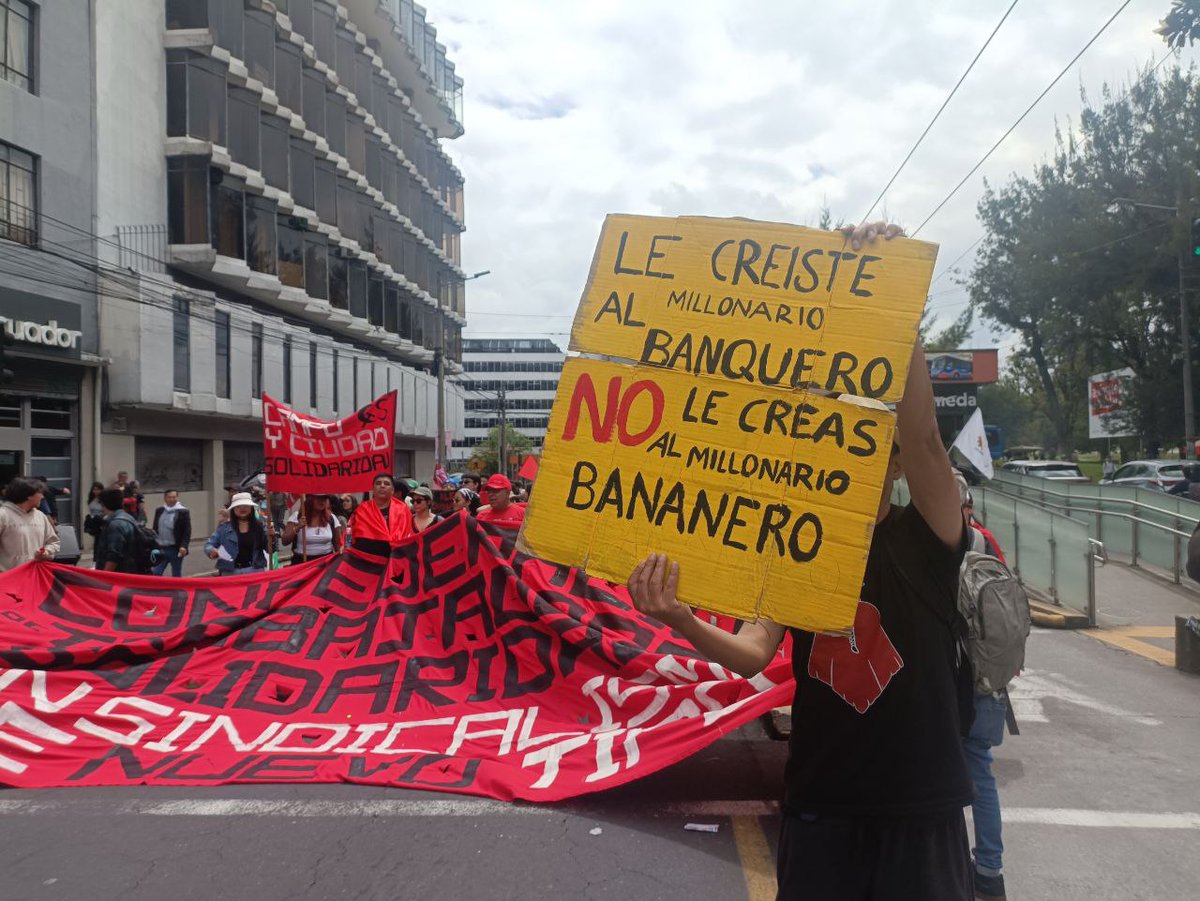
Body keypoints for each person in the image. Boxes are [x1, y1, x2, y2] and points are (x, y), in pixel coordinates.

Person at [626, 221, 973, 901]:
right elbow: (754, 650)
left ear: (895, 463)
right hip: (822, 806)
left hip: (920, 806)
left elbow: (928, 436)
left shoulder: (929, 536)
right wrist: (682, 619)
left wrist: (892, 295)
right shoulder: (791, 543)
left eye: (869, 437)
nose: (848, 446)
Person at [205, 492, 273, 575]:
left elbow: (270, 550)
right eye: (238, 506)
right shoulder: (224, 528)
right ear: (233, 509)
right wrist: (212, 551)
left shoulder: (260, 526)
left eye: (246, 505)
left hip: (255, 571)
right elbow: (208, 545)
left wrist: (272, 537)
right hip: (229, 572)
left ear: (251, 508)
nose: (242, 508)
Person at [0, 477, 60, 571]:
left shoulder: (40, 516)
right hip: (8, 579)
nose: (43, 497)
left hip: (35, 576)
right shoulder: (3, 515)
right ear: (28, 495)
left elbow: (53, 542)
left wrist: (47, 552)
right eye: (40, 493)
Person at [348, 474, 412, 555]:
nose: (382, 486)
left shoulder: (402, 509)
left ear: (392, 490)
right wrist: (346, 547)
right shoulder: (362, 509)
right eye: (378, 483)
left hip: (393, 558)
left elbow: (409, 534)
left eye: (386, 483)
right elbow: (349, 530)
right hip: (365, 559)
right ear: (373, 490)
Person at [282, 495, 342, 564]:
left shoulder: (331, 518)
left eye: (324, 498)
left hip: (326, 563)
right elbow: (285, 541)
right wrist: (298, 527)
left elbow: (338, 544)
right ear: (309, 499)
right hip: (302, 563)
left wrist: (339, 563)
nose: (322, 501)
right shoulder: (297, 516)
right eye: (318, 498)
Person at [95, 487, 140, 573]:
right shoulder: (129, 518)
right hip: (131, 570)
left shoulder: (115, 525)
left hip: (119, 574)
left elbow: (114, 556)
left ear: (104, 504)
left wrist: (104, 577)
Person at [151, 489, 192, 577]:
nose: (172, 499)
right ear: (165, 498)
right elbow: (155, 528)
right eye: (169, 497)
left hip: (175, 548)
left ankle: (177, 590)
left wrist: (184, 546)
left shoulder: (183, 512)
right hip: (161, 548)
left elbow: (187, 530)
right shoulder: (160, 510)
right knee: (156, 572)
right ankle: (156, 590)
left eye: (174, 497)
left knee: (176, 574)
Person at [83, 481, 106, 545]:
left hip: (101, 521)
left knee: (100, 540)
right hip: (94, 522)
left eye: (98, 490)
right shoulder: (92, 499)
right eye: (94, 489)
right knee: (96, 540)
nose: (96, 491)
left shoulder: (103, 499)